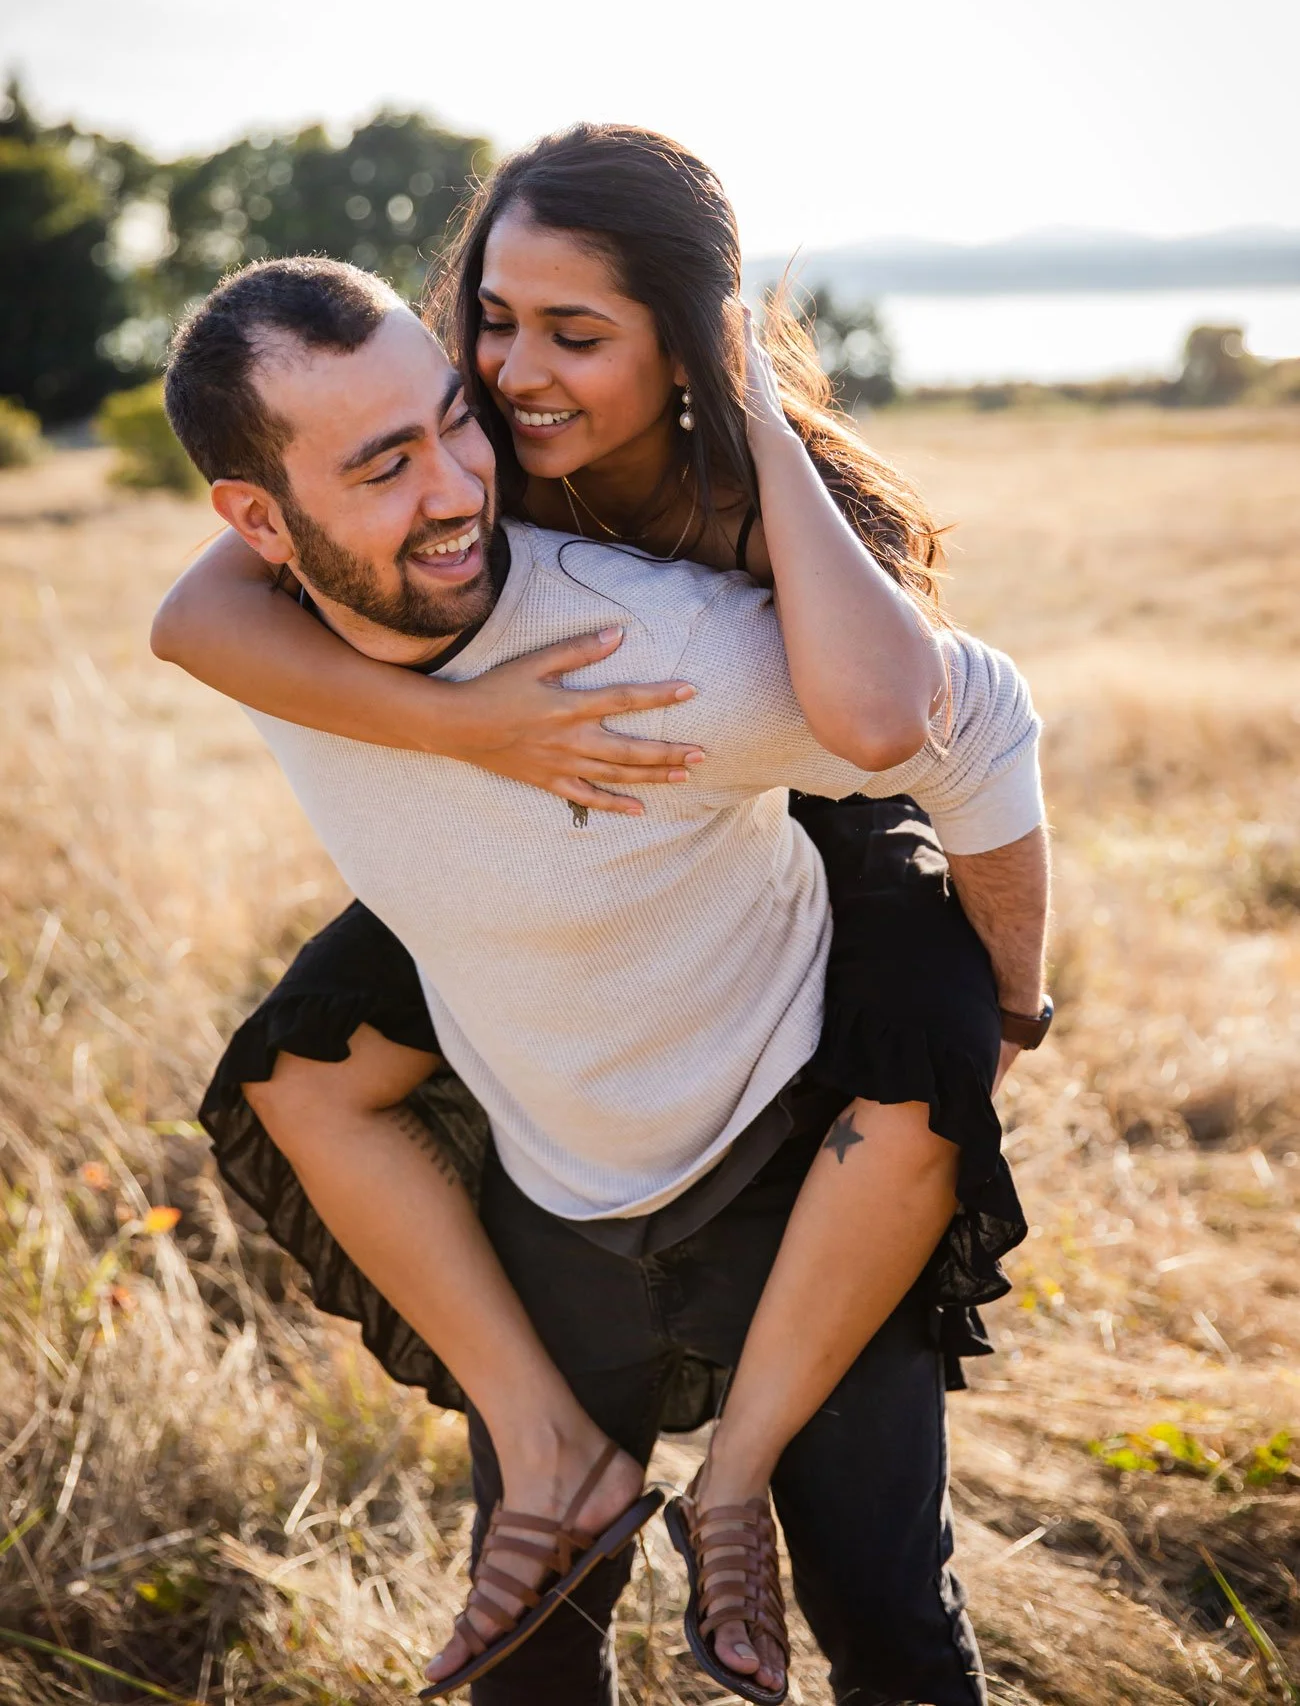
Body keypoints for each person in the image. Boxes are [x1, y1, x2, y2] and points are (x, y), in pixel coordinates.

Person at [155, 133, 1049, 1706]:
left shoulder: (749, 498)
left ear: (688, 344)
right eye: (494, 323)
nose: (508, 386)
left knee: (926, 1057)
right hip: (546, 814)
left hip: (818, 815)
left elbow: (895, 716)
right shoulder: (447, 426)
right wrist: (461, 729)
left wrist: (1022, 989)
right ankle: (559, 1445)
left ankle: (741, 1472)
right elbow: (194, 614)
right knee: (299, 1064)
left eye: (577, 335)